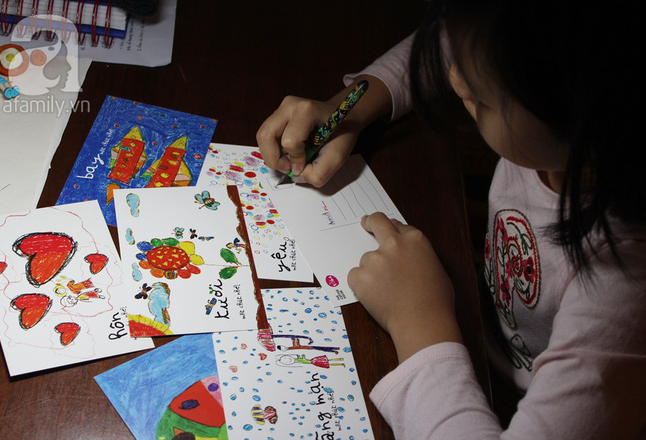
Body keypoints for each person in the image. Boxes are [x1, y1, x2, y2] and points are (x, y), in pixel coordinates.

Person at [257, 1, 646, 438]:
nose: (456, 78)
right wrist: (347, 110)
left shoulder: (623, 295)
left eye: (483, 94)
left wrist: (418, 320)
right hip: (487, 333)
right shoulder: (560, 129)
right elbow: (451, 40)